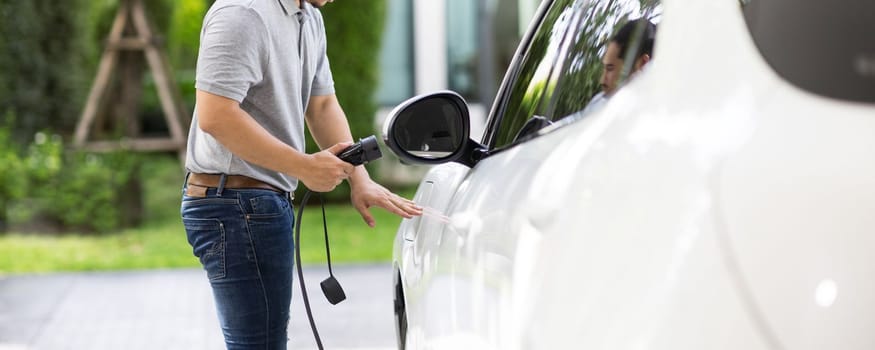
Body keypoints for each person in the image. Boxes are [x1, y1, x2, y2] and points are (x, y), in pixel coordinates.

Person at [180, 0, 422, 348]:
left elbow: (322, 105)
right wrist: (304, 166)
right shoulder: (243, 13)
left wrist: (360, 178)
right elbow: (216, 115)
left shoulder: (309, 18)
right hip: (234, 205)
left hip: (256, 203)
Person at [583, 18, 657, 114]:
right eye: (604, 68)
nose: (602, 80)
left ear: (643, 64)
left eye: (610, 69)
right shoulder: (597, 103)